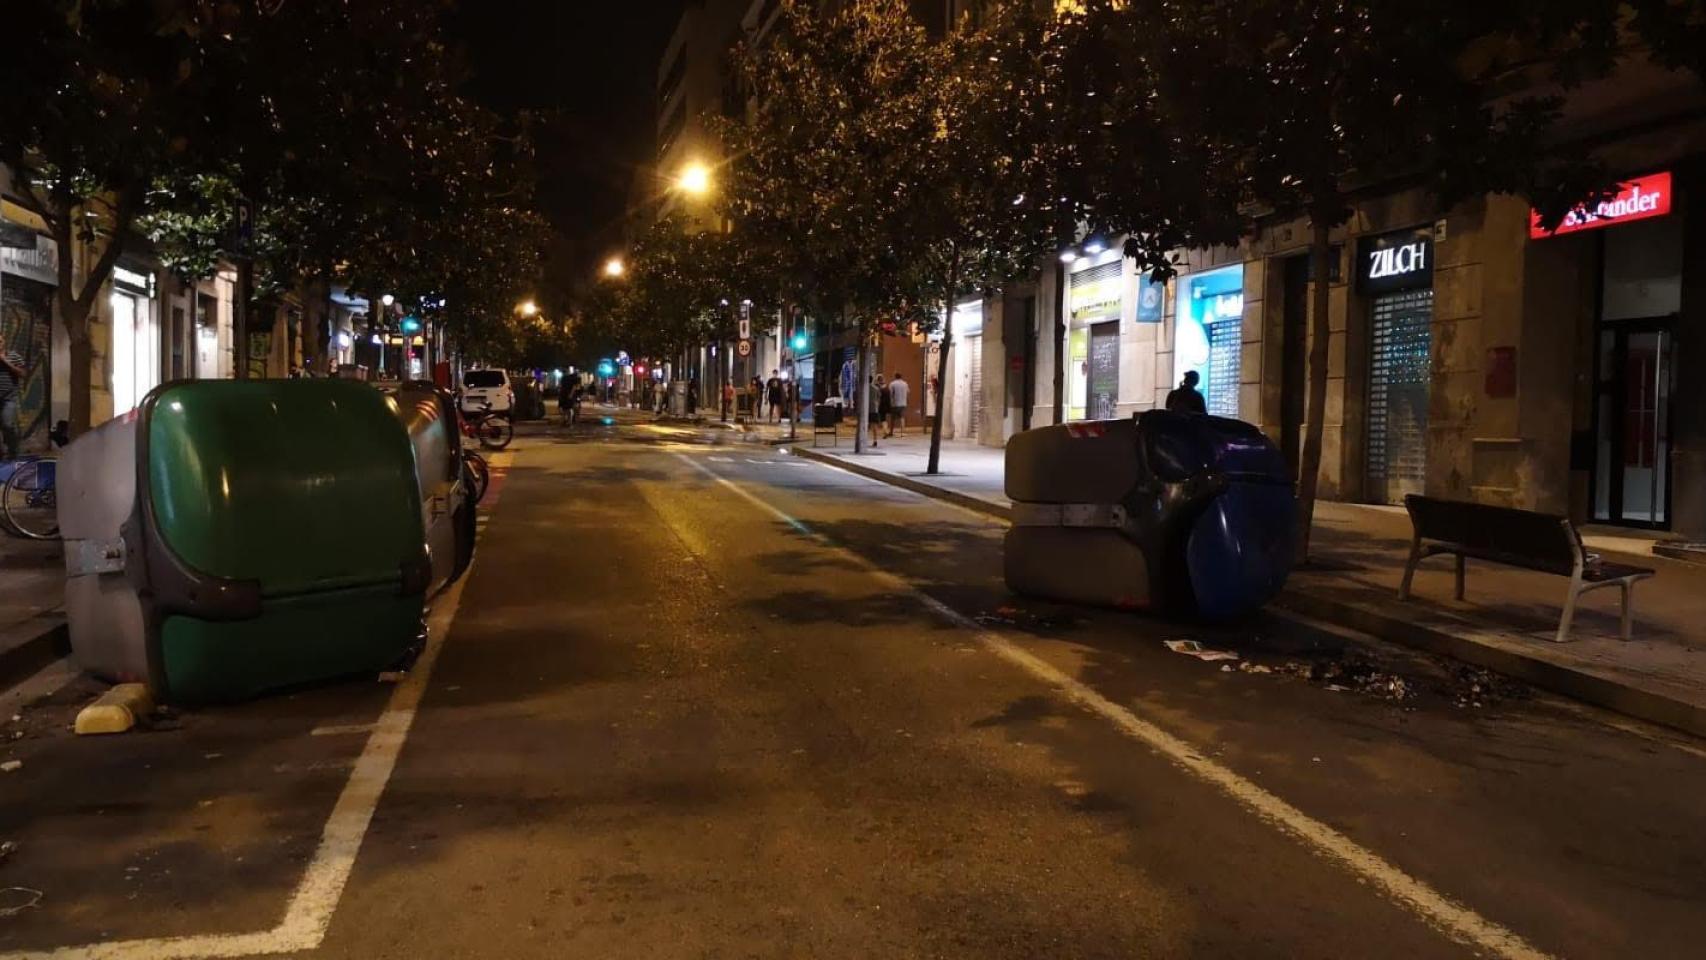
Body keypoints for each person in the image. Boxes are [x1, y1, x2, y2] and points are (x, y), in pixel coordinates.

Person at [0, 333, 25, 459]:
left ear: (4, 342)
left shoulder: (14, 356)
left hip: (9, 398)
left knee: (7, 424)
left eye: (0, 341)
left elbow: (22, 373)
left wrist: (4, 361)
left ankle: (13, 451)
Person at [886, 371, 909, 438]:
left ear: (895, 376)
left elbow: (890, 393)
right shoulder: (905, 383)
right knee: (902, 417)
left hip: (895, 403)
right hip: (903, 403)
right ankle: (902, 432)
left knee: (893, 418)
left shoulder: (892, 384)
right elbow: (908, 392)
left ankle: (891, 432)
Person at [867, 375, 883, 448]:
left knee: (864, 425)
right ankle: (875, 440)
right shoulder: (876, 388)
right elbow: (879, 397)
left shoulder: (864, 388)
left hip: (866, 409)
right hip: (874, 408)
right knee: (874, 425)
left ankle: (864, 439)